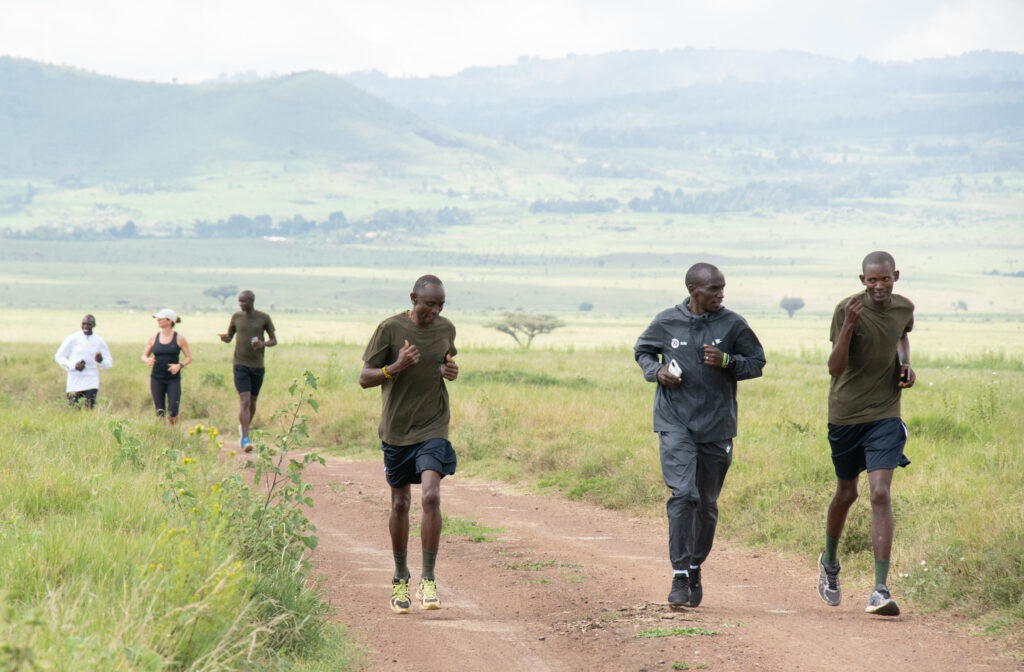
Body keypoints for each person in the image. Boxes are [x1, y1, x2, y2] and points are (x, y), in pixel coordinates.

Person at [635, 263, 766, 608]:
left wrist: (727, 362)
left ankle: (695, 566)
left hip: (717, 426)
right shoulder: (667, 321)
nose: (721, 294)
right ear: (694, 290)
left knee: (706, 504)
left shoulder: (733, 324)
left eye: (723, 288)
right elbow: (643, 351)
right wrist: (657, 371)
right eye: (714, 289)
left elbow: (757, 363)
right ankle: (679, 574)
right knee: (684, 494)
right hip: (675, 422)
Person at [817, 251, 915, 617]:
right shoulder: (847, 309)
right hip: (845, 415)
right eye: (871, 280)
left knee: (880, 492)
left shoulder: (904, 308)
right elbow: (834, 367)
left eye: (884, 279)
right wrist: (848, 327)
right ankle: (829, 561)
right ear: (862, 280)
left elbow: (901, 336)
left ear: (895, 276)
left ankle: (880, 589)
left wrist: (906, 364)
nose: (878, 286)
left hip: (885, 413)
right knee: (847, 492)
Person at [359, 275, 459, 614]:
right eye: (430, 304)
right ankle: (400, 576)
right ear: (413, 298)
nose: (435, 311)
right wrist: (395, 367)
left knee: (431, 496)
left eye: (440, 305)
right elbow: (364, 378)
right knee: (400, 503)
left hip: (433, 424)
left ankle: (428, 580)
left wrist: (449, 370)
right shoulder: (389, 329)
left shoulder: (446, 328)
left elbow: (444, 361)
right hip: (397, 429)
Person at [219, 290, 276, 451]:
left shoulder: (263, 318)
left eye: (244, 301)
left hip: (257, 365)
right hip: (240, 364)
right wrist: (225, 338)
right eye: (239, 301)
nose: (241, 304)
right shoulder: (236, 317)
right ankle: (245, 438)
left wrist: (262, 344)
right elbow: (230, 336)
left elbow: (273, 340)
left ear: (251, 301)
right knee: (244, 399)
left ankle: (244, 428)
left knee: (252, 401)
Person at [142, 308, 192, 425]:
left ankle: (172, 430)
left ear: (170, 321)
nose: (158, 320)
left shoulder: (179, 338)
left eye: (161, 318)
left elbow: (189, 357)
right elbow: (144, 355)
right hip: (156, 378)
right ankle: (162, 433)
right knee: (159, 410)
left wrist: (179, 365)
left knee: (173, 411)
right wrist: (147, 360)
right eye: (157, 318)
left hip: (173, 379)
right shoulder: (153, 338)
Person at [54, 314, 113, 409]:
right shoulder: (72, 338)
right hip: (74, 380)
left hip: (91, 380)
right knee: (73, 409)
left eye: (89, 324)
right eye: (84, 324)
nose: (86, 327)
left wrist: (101, 361)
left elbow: (109, 363)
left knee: (89, 407)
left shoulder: (99, 341)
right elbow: (59, 356)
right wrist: (73, 365)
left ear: (94, 325)